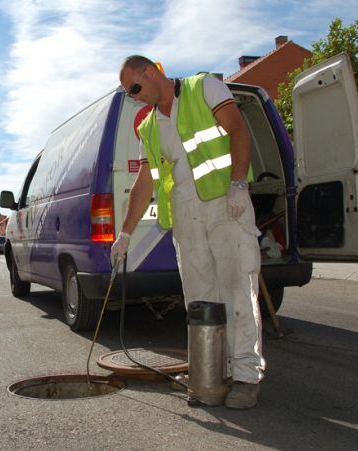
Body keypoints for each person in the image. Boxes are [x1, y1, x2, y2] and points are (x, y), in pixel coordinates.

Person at [113, 55, 264, 409]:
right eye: (128, 94)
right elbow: (145, 181)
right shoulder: (148, 126)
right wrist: (125, 233)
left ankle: (245, 377)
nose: (134, 97)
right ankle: (209, 374)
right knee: (200, 298)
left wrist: (239, 184)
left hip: (225, 203)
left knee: (237, 290)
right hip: (186, 215)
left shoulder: (203, 87)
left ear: (150, 72)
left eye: (135, 88)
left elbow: (238, 130)